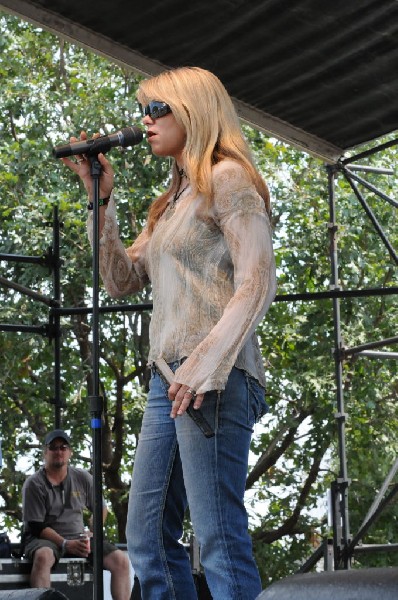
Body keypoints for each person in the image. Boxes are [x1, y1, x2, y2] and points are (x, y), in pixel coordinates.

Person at [61, 66, 277, 599]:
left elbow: (258, 279)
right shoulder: (170, 203)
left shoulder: (227, 177)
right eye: (144, 110)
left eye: (158, 109)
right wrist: (99, 198)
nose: (146, 120)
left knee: (218, 535)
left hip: (215, 376)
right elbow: (119, 280)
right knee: (146, 534)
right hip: (169, 382)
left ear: (194, 110)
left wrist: (204, 365)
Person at [22, 429, 131, 600]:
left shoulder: (82, 477)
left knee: (121, 560)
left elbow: (101, 507)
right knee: (43, 556)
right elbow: (36, 526)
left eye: (63, 447)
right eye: (53, 448)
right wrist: (65, 543)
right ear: (45, 452)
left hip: (78, 540)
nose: (59, 452)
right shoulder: (34, 483)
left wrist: (92, 532)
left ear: (70, 452)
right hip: (45, 540)